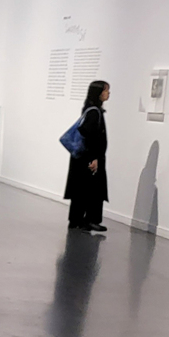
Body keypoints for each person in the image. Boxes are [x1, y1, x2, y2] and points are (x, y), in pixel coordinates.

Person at [65, 80, 110, 233]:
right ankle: (87, 220)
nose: (108, 93)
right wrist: (93, 158)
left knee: (82, 189)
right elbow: (89, 135)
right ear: (98, 93)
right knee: (89, 189)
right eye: (105, 90)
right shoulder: (94, 112)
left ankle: (77, 220)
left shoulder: (91, 110)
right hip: (88, 158)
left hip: (83, 157)